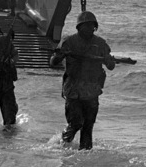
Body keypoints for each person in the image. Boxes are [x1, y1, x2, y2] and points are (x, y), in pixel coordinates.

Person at [49, 11, 116, 150]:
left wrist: (109, 60)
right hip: (73, 89)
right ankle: (62, 144)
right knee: (76, 122)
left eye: (91, 26)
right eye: (85, 26)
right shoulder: (69, 42)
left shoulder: (100, 43)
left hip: (91, 90)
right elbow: (52, 62)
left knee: (88, 125)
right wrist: (61, 56)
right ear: (79, 27)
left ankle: (85, 154)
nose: (89, 29)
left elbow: (111, 66)